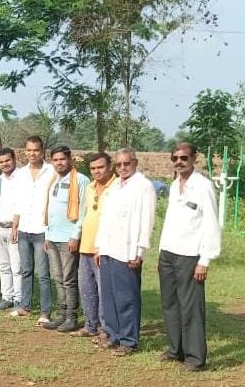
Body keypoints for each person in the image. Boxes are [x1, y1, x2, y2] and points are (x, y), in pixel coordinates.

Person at [158, 142, 221, 371]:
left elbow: (211, 224)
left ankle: (195, 358)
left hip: (190, 256)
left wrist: (204, 260)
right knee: (170, 304)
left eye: (183, 158)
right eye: (175, 158)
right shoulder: (175, 185)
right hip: (169, 254)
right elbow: (169, 222)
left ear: (195, 158)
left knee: (191, 307)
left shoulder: (203, 186)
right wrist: (161, 253)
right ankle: (175, 349)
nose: (179, 162)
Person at [95, 148, 156, 356]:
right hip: (108, 248)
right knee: (110, 296)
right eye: (119, 164)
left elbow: (147, 221)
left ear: (135, 163)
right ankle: (113, 335)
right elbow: (105, 219)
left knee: (126, 297)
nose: (122, 168)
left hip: (128, 250)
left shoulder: (143, 186)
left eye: (126, 163)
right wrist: (99, 247)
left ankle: (129, 340)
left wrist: (139, 251)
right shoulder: (115, 186)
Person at [42, 146, 89, 331]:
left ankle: (71, 317)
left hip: (68, 238)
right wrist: (47, 235)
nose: (59, 163)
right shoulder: (54, 180)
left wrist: (75, 236)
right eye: (55, 160)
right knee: (58, 277)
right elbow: (49, 209)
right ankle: (61, 315)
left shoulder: (80, 180)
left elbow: (83, 211)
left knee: (69, 279)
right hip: (52, 237)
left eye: (62, 159)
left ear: (70, 160)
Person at [10, 136, 56, 323]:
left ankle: (45, 312)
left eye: (35, 150)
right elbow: (18, 201)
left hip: (42, 229)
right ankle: (25, 307)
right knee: (26, 270)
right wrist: (15, 224)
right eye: (28, 150)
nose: (32, 153)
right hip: (24, 228)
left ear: (42, 151)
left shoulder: (51, 171)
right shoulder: (21, 173)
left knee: (43, 273)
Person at [74, 152, 114, 338]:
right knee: (86, 288)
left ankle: (106, 329)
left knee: (103, 290)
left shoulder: (116, 187)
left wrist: (103, 246)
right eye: (93, 168)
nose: (97, 171)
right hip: (86, 245)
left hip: (104, 247)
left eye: (100, 167)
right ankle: (90, 325)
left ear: (109, 167)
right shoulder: (90, 187)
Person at [0, 148, 21, 311]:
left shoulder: (22, 178)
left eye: (7, 160)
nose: (4, 164)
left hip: (14, 227)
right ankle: (6, 297)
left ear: (14, 159)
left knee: (16, 266)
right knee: (3, 265)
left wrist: (16, 225)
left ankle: (19, 299)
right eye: (1, 162)